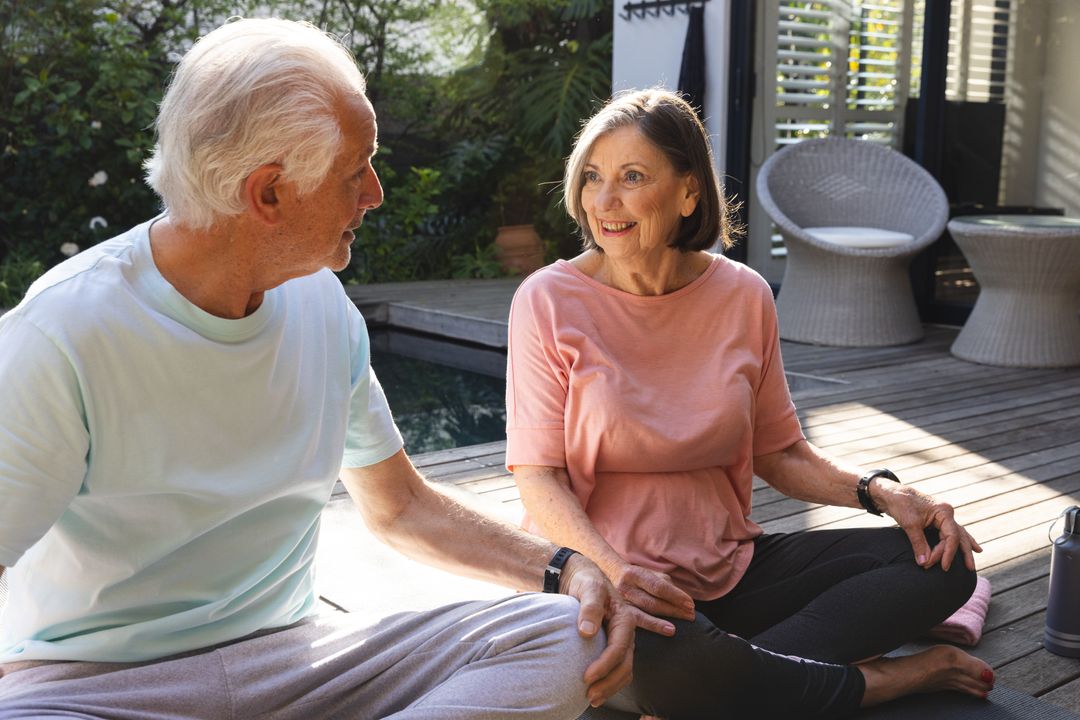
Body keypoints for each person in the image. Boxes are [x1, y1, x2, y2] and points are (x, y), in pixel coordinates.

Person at [0, 18, 636, 719]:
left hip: (296, 665)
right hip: (95, 688)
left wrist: (563, 566)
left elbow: (400, 507)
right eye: (353, 169)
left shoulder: (321, 306)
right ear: (267, 193)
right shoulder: (62, 331)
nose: (374, 192)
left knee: (558, 635)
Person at [505, 88, 995, 719]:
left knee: (941, 561)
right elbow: (539, 481)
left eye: (632, 177)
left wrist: (882, 493)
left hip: (732, 570)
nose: (605, 202)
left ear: (688, 194)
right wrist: (614, 572)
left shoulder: (743, 295)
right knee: (662, 664)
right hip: (604, 582)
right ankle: (884, 680)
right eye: (594, 178)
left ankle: (732, 680)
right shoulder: (547, 300)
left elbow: (780, 452)